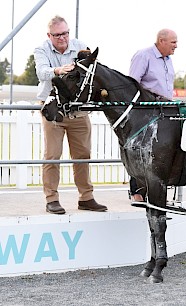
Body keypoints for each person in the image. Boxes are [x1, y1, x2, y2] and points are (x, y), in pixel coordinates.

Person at [34, 15, 107, 214]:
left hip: (78, 110)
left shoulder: (80, 46)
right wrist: (58, 70)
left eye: (65, 33)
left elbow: (91, 69)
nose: (62, 38)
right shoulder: (41, 49)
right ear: (49, 35)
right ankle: (52, 199)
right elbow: (41, 72)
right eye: (57, 35)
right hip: (53, 108)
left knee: (83, 155)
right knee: (52, 155)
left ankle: (86, 197)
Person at [128, 28, 178, 202]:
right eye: (173, 42)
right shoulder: (143, 55)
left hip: (166, 110)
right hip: (146, 113)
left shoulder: (168, 59)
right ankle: (137, 192)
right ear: (161, 41)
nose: (176, 46)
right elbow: (132, 84)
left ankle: (158, 190)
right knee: (141, 150)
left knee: (164, 150)